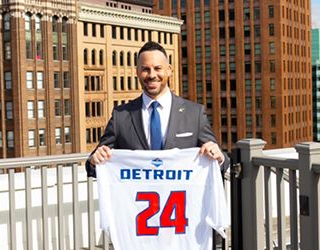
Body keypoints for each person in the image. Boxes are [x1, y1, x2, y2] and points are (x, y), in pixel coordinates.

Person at [86, 41, 229, 177]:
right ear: (137, 72)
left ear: (169, 70)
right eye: (145, 69)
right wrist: (94, 160)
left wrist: (219, 157)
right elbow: (94, 165)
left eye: (158, 68)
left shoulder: (194, 114)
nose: (152, 75)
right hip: (138, 201)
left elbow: (223, 163)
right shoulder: (121, 116)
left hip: (181, 201)